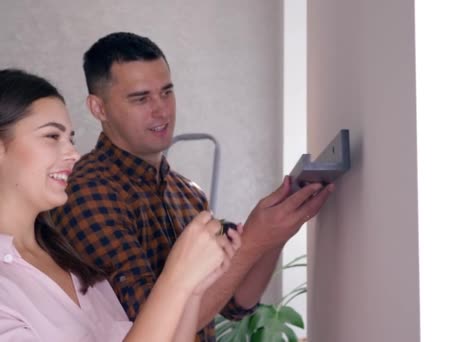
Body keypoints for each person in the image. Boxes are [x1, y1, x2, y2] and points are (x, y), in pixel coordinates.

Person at [49, 32, 334, 341]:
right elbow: (156, 325)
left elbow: (236, 303)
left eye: (166, 92)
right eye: (141, 98)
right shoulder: (86, 191)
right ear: (98, 108)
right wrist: (253, 240)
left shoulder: (185, 192)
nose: (161, 110)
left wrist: (274, 236)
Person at [0, 69, 241, 341]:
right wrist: (177, 278)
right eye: (52, 137)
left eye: (71, 138)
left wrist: (193, 290)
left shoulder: (75, 267)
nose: (73, 154)